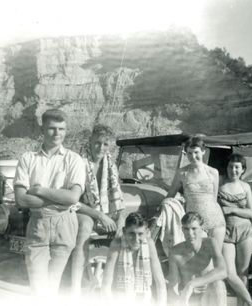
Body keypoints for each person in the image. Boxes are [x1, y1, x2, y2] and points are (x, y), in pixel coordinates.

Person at [13, 109, 86, 295]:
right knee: (38, 287)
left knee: (53, 286)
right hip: (38, 223)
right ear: (42, 129)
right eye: (52, 128)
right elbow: (21, 199)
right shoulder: (28, 159)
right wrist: (58, 198)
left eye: (61, 129)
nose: (57, 133)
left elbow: (72, 198)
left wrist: (39, 191)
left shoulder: (74, 160)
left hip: (65, 224)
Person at [71, 124, 126, 294]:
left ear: (109, 146)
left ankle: (114, 283)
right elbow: (73, 201)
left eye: (105, 144)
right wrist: (100, 215)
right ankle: (75, 286)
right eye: (96, 143)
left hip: (103, 211)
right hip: (80, 210)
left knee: (126, 232)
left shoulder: (110, 165)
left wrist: (121, 220)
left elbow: (119, 199)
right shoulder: (79, 163)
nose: (100, 148)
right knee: (86, 226)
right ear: (90, 142)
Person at [167, 135, 226, 250]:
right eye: (189, 153)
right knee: (198, 259)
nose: (193, 157)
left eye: (196, 152)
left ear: (203, 151)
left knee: (216, 257)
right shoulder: (182, 173)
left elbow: (214, 199)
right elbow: (170, 195)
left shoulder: (213, 172)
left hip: (216, 222)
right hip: (194, 225)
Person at [101, 212, 166, 305]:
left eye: (140, 234)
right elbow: (106, 284)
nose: (136, 239)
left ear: (147, 232)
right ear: (124, 231)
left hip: (144, 300)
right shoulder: (116, 244)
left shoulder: (149, 244)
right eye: (131, 233)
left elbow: (160, 282)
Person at [168, 212, 227, 306]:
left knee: (218, 284)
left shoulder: (210, 243)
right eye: (186, 229)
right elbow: (173, 283)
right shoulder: (175, 252)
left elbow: (223, 271)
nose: (190, 233)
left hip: (208, 295)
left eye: (194, 228)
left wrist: (191, 284)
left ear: (202, 229)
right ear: (182, 229)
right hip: (188, 297)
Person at [218, 154, 252, 306]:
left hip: (245, 231)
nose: (233, 170)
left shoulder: (246, 187)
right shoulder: (219, 184)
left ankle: (242, 304)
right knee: (229, 272)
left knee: (243, 272)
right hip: (226, 232)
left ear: (243, 170)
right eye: (230, 166)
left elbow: (250, 213)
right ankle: (249, 301)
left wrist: (231, 209)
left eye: (237, 167)